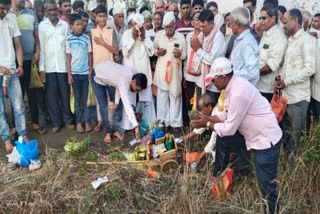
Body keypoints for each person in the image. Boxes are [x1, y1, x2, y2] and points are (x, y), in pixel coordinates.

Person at [192, 57, 282, 214]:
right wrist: (207, 118)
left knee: (267, 185)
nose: (213, 84)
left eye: (214, 80)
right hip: (258, 138)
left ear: (222, 77)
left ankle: (272, 210)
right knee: (264, 182)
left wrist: (206, 124)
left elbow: (228, 129)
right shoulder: (230, 87)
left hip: (265, 140)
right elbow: (223, 115)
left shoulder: (238, 93)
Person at [276, 9, 315, 161]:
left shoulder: (306, 40)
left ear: (296, 21)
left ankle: (292, 173)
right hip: (286, 96)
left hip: (298, 98)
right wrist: (281, 78)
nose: (283, 25)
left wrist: (287, 81)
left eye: (285, 22)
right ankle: (286, 167)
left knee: (294, 137)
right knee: (286, 134)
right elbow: (287, 66)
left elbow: (309, 69)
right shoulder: (290, 40)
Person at [10, 0, 48, 135]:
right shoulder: (6, 14)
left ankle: (35, 123)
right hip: (12, 63)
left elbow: (36, 37)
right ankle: (15, 126)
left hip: (30, 61)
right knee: (16, 96)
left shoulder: (31, 14)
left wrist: (37, 51)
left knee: (33, 94)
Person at [39, 0, 74, 133]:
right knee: (52, 97)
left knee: (65, 95)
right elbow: (41, 49)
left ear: (57, 9)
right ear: (46, 11)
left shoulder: (64, 26)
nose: (53, 12)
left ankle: (68, 120)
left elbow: (68, 48)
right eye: (50, 10)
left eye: (54, 9)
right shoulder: (42, 26)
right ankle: (56, 123)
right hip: (49, 67)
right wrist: (42, 69)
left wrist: (69, 68)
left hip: (63, 67)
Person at [0, 0, 30, 153]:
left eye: (6, 9)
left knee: (18, 106)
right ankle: (6, 138)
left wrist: (20, 65)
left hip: (11, 71)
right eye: (1, 9)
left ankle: (23, 135)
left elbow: (17, 44)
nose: (4, 12)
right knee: (0, 110)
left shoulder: (11, 19)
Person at [94, 61, 148, 140]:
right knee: (103, 106)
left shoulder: (129, 75)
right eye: (137, 89)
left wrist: (116, 102)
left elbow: (118, 85)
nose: (136, 92)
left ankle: (115, 130)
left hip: (107, 77)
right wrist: (136, 126)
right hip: (97, 76)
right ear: (133, 82)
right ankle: (108, 133)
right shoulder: (124, 81)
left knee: (116, 106)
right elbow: (127, 105)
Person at [90, 5, 120, 142]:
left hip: (110, 71)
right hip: (96, 72)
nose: (102, 18)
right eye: (99, 16)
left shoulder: (111, 31)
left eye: (104, 16)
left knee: (113, 102)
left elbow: (115, 51)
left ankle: (116, 129)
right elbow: (90, 54)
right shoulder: (91, 32)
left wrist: (102, 42)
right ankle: (108, 131)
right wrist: (91, 69)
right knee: (102, 105)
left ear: (107, 18)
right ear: (95, 17)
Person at [121, 14, 156, 131]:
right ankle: (129, 126)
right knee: (130, 100)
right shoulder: (126, 34)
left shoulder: (146, 34)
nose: (138, 28)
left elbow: (151, 53)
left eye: (140, 26)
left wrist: (144, 39)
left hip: (144, 73)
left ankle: (147, 126)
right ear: (131, 25)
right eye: (135, 25)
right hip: (130, 74)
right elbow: (125, 53)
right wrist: (132, 38)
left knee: (146, 101)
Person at [153, 11, 186, 132]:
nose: (168, 29)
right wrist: (158, 53)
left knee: (175, 96)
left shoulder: (180, 37)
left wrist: (180, 54)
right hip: (162, 72)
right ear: (163, 26)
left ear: (175, 25)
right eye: (166, 26)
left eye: (171, 26)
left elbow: (185, 55)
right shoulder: (159, 35)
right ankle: (163, 123)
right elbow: (153, 49)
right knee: (162, 98)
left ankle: (176, 124)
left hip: (175, 73)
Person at [190, 9, 226, 101]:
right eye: (200, 26)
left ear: (211, 24)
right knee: (199, 111)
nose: (201, 29)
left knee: (208, 113)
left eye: (204, 26)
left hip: (213, 85)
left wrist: (198, 49)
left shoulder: (218, 38)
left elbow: (212, 60)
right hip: (200, 80)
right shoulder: (202, 35)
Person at [66, 14, 93, 133]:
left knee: (86, 99)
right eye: (77, 24)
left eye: (81, 24)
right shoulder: (68, 39)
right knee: (77, 100)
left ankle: (87, 122)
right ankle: (78, 123)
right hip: (75, 75)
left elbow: (90, 56)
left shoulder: (86, 38)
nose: (80, 26)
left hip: (85, 73)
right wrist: (69, 74)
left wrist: (90, 70)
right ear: (71, 26)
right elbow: (68, 57)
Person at [256, 4, 287, 102]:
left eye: (264, 18)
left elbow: (272, 65)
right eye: (260, 18)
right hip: (257, 85)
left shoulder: (279, 37)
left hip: (266, 89)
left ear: (273, 18)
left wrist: (253, 73)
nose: (261, 21)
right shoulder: (265, 33)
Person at [181, 93, 217, 162]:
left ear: (209, 107)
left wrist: (199, 157)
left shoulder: (216, 115)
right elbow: (202, 127)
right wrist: (185, 137)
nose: (202, 112)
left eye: (203, 109)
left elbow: (213, 140)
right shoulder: (210, 113)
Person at [229, 7, 259, 85]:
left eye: (231, 23)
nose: (230, 26)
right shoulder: (240, 39)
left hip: (244, 88)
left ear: (237, 24)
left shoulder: (247, 42)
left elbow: (252, 73)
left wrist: (231, 73)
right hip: (238, 85)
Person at [184, 11, 201, 111]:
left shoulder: (205, 36)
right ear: (192, 22)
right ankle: (192, 123)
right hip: (189, 75)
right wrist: (185, 75)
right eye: (196, 19)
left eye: (200, 19)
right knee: (191, 100)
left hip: (201, 76)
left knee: (200, 102)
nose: (198, 21)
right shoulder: (189, 36)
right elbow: (186, 56)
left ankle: (200, 124)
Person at [309, 13, 320, 126]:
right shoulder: (312, 37)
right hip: (313, 89)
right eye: (313, 20)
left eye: (316, 21)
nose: (313, 23)